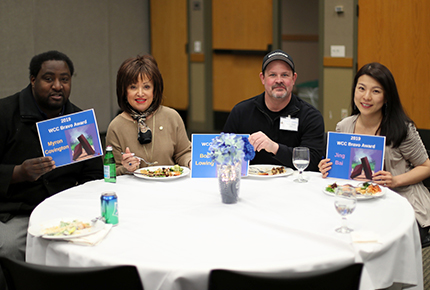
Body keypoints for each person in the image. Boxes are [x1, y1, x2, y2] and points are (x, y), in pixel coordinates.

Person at [0, 50, 103, 289]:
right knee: (7, 247)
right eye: (49, 79)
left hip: (66, 211)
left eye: (64, 79)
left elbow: (94, 175)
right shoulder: (5, 114)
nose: (57, 86)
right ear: (33, 79)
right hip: (18, 211)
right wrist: (18, 173)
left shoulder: (78, 121)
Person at [319, 62, 430, 245]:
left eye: (376, 91)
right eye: (361, 88)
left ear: (387, 97)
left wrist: (395, 180)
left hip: (401, 200)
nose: (366, 97)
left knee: (376, 240)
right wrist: (327, 167)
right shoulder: (344, 126)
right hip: (360, 199)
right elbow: (342, 169)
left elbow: (426, 166)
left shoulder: (401, 129)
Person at [223, 49, 325, 171]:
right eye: (272, 75)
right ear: (262, 78)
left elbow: (313, 162)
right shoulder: (241, 112)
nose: (279, 80)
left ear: (293, 79)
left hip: (293, 186)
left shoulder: (311, 116)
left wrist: (275, 148)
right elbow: (223, 152)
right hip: (251, 184)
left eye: (285, 75)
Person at [106, 55, 191, 175]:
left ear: (155, 90)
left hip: (170, 187)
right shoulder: (116, 126)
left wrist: (190, 162)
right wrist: (126, 168)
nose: (140, 93)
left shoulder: (172, 117)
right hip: (132, 190)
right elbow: (110, 173)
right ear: (124, 91)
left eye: (146, 87)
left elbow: (183, 153)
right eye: (133, 87)